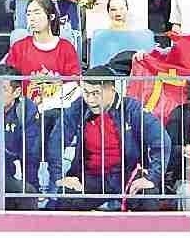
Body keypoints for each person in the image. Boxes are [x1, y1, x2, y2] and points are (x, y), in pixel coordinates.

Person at [52, 65, 168, 209]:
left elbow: (162, 141)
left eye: (96, 93)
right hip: (90, 176)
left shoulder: (132, 108)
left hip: (126, 175)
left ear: (112, 90)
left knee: (148, 197)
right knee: (65, 196)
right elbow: (56, 141)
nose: (90, 100)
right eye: (86, 93)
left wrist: (152, 178)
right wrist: (59, 178)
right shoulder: (78, 108)